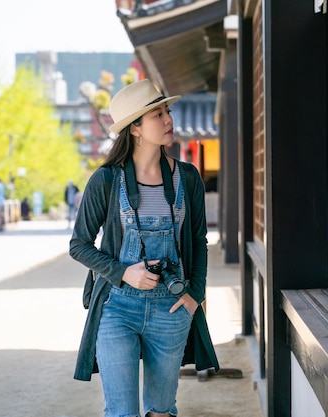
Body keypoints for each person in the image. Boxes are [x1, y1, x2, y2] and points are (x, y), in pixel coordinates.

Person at [69, 79, 219, 417]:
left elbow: (198, 242)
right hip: (117, 308)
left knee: (161, 411)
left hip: (171, 309)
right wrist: (124, 273)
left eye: (167, 111)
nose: (169, 120)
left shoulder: (188, 178)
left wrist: (194, 295)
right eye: (157, 114)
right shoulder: (106, 180)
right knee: (122, 412)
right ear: (135, 128)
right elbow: (79, 245)